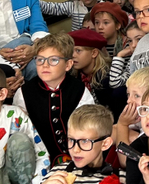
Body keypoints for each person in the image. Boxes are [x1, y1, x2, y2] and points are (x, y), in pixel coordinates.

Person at [14, 33, 96, 165]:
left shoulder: (79, 90)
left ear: (68, 65)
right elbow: (23, 132)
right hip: (40, 159)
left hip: (77, 155)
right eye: (40, 60)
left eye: (53, 60)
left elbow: (88, 128)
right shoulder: (24, 93)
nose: (45, 65)